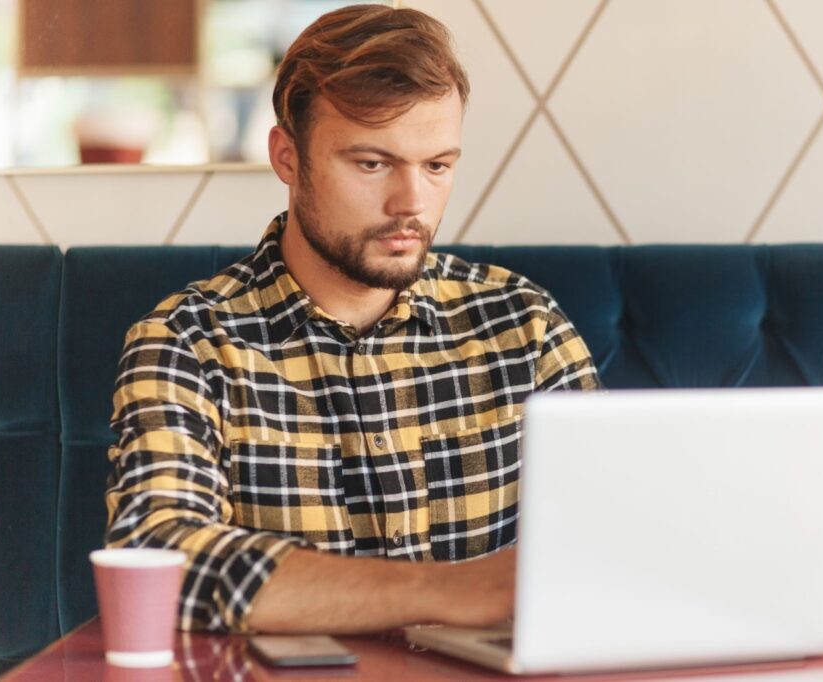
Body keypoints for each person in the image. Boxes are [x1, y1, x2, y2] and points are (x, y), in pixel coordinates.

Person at [104, 4, 599, 635]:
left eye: (437, 166)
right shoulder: (188, 344)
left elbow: (612, 542)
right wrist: (446, 591)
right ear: (287, 156)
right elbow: (157, 561)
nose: (411, 204)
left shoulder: (523, 325)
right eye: (371, 164)